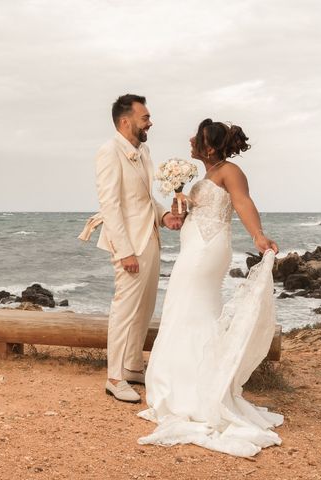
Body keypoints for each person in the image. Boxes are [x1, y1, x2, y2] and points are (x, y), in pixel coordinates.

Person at [138, 118, 283, 457]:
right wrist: (180, 208)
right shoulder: (205, 176)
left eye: (198, 137)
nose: (190, 139)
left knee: (192, 308)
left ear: (212, 147)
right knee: (183, 307)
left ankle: (196, 390)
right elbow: (196, 214)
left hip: (208, 249)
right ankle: (186, 381)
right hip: (194, 246)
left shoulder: (230, 172)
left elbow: (243, 203)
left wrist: (258, 236)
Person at [82, 94, 183, 403]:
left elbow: (143, 198)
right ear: (125, 122)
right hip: (128, 244)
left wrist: (164, 215)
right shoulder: (109, 151)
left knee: (145, 306)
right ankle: (114, 377)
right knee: (124, 309)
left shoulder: (144, 151)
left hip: (150, 238)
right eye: (145, 117)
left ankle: (133, 366)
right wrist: (123, 250)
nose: (150, 122)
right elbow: (110, 205)